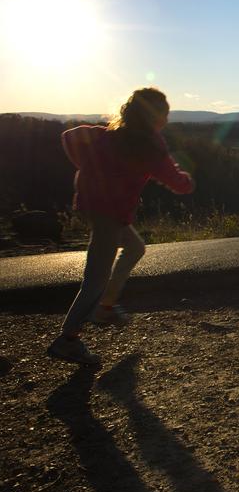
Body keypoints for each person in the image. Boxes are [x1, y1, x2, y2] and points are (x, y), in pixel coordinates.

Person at [47, 88, 195, 365]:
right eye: (165, 113)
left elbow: (69, 136)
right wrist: (188, 182)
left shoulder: (109, 135)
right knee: (94, 282)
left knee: (135, 248)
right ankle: (68, 340)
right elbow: (175, 180)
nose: (166, 118)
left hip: (95, 207)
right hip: (110, 214)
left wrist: (85, 165)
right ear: (156, 116)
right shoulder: (149, 145)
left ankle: (106, 306)